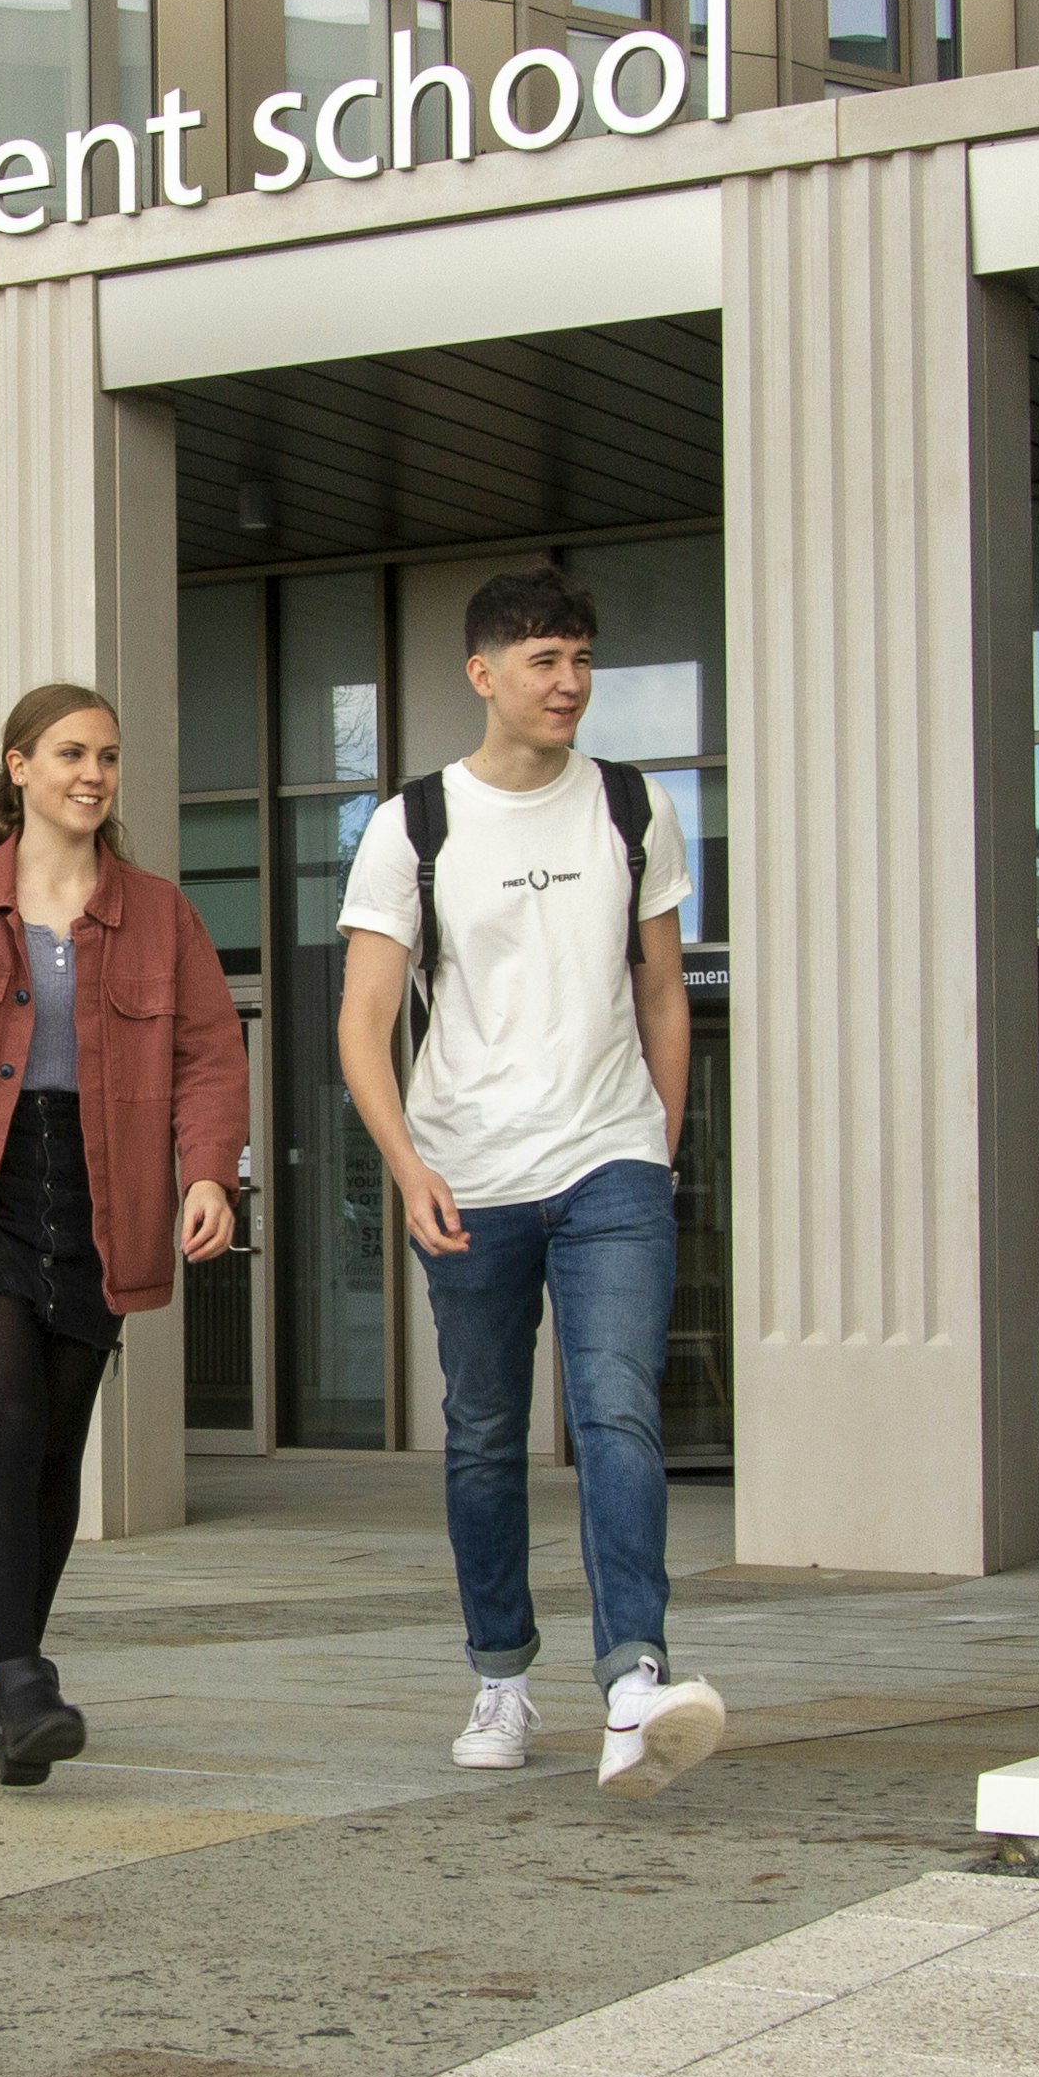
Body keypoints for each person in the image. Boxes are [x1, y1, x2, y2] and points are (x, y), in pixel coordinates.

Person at [337, 566, 729, 1794]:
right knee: (484, 1433)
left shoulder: (629, 805)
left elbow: (663, 988)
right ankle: (501, 1677)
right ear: (484, 674)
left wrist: (658, 1143)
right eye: (545, 662)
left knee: (617, 1407)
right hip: (469, 1174)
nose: (569, 684)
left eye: (582, 660)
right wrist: (407, 1170)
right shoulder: (415, 824)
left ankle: (632, 1681)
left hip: (610, 1158)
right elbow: (361, 1022)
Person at [0, 684, 249, 1786]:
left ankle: (13, 1690)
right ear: (18, 766)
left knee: (60, 1446)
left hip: (104, 1193)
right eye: (71, 753)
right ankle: (23, 1670)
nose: (93, 774)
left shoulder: (160, 915)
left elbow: (211, 1055)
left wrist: (208, 1171)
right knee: (10, 1424)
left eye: (109, 757)